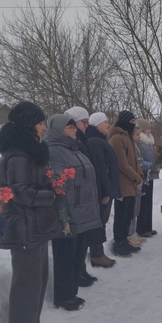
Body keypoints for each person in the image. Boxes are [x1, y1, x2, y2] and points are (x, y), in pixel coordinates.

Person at [0, 101, 64, 323]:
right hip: (22, 226)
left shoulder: (31, 152)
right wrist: (51, 195)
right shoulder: (18, 155)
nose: (44, 127)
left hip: (36, 225)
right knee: (26, 283)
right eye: (40, 122)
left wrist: (52, 186)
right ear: (28, 126)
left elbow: (34, 183)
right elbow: (21, 193)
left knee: (38, 279)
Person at [45, 114, 102, 311]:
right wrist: (64, 217)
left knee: (77, 253)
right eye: (70, 127)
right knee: (65, 256)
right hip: (68, 213)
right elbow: (58, 187)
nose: (74, 130)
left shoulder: (72, 148)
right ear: (59, 129)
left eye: (73, 127)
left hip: (82, 210)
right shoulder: (53, 151)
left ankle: (72, 291)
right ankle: (63, 296)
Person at [64, 106, 106, 285]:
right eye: (83, 122)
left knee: (84, 238)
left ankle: (81, 270)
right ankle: (78, 272)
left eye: (88, 122)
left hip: (87, 194)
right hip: (78, 197)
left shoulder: (82, 140)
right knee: (78, 238)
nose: (86, 126)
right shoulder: (74, 142)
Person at [86, 112, 120, 268]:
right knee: (99, 221)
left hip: (107, 187)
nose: (108, 125)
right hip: (103, 190)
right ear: (97, 124)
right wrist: (106, 192)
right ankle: (97, 254)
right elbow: (100, 169)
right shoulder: (94, 141)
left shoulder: (100, 140)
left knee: (102, 221)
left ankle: (98, 252)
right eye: (105, 122)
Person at [108, 110, 144, 257]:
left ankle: (124, 240)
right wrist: (137, 177)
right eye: (131, 123)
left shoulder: (128, 137)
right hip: (123, 183)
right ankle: (118, 242)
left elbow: (134, 160)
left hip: (131, 183)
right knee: (121, 214)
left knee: (128, 213)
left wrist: (139, 174)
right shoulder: (117, 138)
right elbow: (122, 164)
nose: (134, 126)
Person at [135, 118, 159, 238]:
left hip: (151, 174)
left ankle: (148, 226)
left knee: (149, 201)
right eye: (148, 128)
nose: (150, 130)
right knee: (143, 202)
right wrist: (150, 165)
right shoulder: (141, 143)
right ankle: (141, 228)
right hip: (144, 174)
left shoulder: (149, 142)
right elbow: (139, 159)